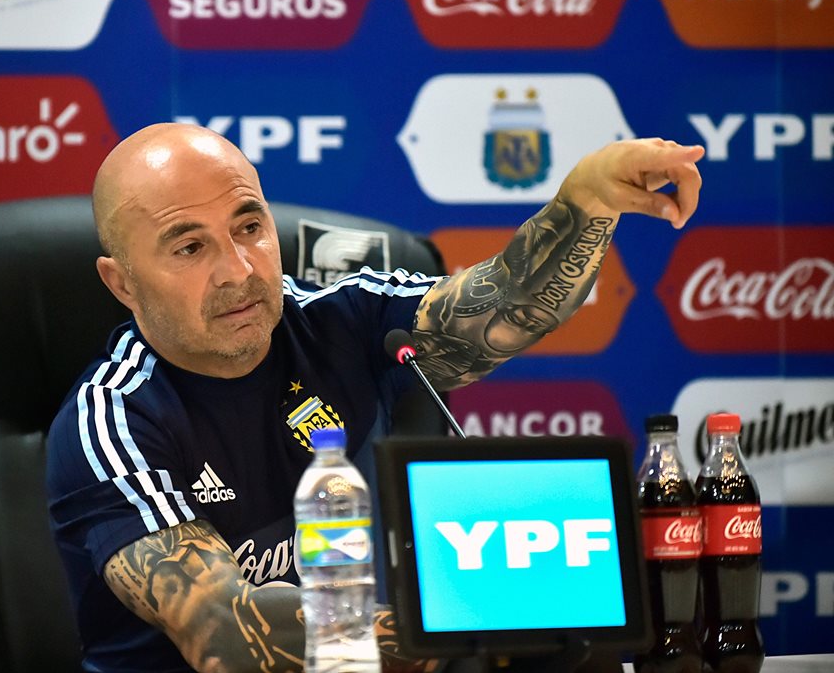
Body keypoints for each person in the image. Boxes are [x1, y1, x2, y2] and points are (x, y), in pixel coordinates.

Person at [46, 122, 704, 673]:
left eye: (249, 226)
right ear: (123, 282)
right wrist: (461, 635)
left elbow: (506, 305)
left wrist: (587, 201)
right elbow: (230, 632)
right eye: (190, 246)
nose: (239, 271)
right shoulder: (111, 422)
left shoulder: (343, 318)